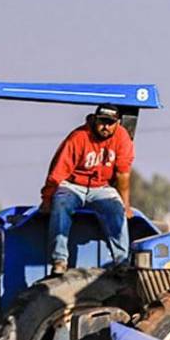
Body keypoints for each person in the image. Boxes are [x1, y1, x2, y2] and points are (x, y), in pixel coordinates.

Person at [40, 104, 134, 275]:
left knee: (116, 209)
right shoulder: (78, 137)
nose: (105, 127)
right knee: (61, 204)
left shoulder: (122, 138)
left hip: (102, 186)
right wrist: (47, 199)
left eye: (110, 123)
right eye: (102, 122)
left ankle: (121, 261)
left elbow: (123, 174)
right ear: (94, 120)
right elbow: (58, 172)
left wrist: (126, 205)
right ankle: (59, 260)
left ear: (118, 123)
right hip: (72, 185)